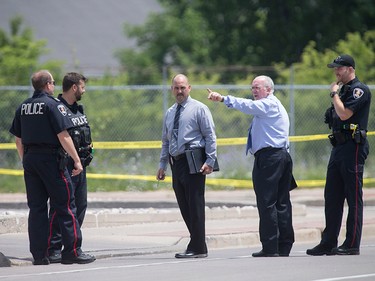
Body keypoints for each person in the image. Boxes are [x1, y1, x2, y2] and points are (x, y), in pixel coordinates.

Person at [9, 70, 96, 265]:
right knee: (66, 205)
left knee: (37, 208)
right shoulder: (52, 105)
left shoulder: (23, 107)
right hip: (51, 160)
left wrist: (26, 160)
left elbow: (18, 139)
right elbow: (63, 135)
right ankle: (72, 251)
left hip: (31, 160)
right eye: (53, 83)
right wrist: (76, 160)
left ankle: (40, 255)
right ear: (48, 84)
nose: (54, 86)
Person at [207, 75, 295, 257]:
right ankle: (283, 245)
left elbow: (248, 106)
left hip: (271, 158)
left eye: (257, 87)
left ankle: (271, 247)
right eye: (252, 88)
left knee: (267, 203)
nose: (254, 91)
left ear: (269, 89)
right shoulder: (271, 106)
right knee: (281, 202)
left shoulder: (268, 104)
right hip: (278, 157)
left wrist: (223, 98)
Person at [306, 54, 371, 256]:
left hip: (353, 146)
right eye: (335, 68)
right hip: (338, 147)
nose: (336, 71)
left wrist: (334, 95)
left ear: (350, 68)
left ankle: (352, 243)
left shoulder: (359, 90)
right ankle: (328, 242)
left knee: (353, 197)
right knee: (332, 196)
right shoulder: (343, 90)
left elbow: (345, 114)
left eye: (339, 68)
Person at [156, 74, 217, 258]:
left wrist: (210, 161)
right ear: (171, 89)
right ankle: (198, 243)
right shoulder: (170, 112)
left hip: (194, 160)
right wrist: (162, 164)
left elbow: (210, 136)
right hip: (177, 163)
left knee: (195, 204)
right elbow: (166, 141)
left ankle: (197, 247)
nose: (180, 91)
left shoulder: (199, 109)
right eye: (176, 88)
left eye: (183, 87)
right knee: (184, 205)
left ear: (189, 88)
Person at [47, 72, 94, 263]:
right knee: (61, 208)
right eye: (82, 87)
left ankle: (71, 245)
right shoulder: (58, 109)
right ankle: (53, 248)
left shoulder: (77, 109)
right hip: (64, 165)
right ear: (74, 87)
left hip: (80, 165)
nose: (84, 90)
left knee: (80, 206)